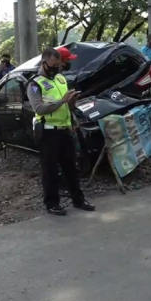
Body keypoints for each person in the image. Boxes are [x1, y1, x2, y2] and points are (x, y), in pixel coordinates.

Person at [26, 48, 95, 216]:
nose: (57, 68)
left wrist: (71, 102)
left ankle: (78, 200)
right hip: (48, 132)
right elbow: (39, 108)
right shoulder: (35, 84)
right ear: (44, 63)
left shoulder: (61, 79)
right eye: (54, 65)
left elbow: (66, 106)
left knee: (71, 168)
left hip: (65, 130)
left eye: (59, 65)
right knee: (49, 170)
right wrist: (62, 101)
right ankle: (52, 204)